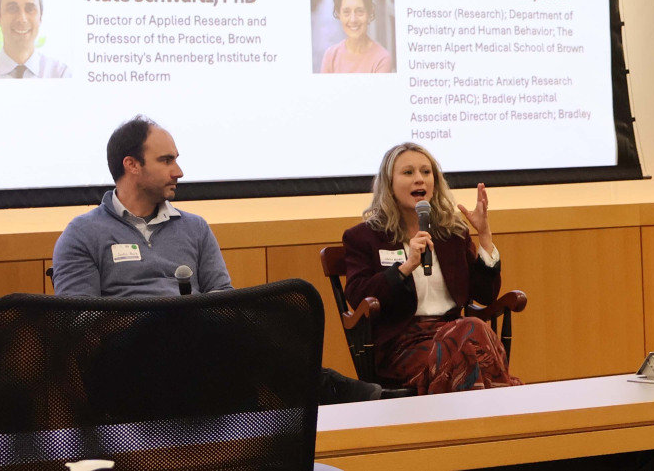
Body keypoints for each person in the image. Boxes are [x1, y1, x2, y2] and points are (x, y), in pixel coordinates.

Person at [53, 117, 402, 402]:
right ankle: (331, 388)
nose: (179, 171)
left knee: (268, 312)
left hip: (198, 347)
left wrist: (193, 316)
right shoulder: (83, 233)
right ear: (131, 165)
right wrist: (156, 315)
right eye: (166, 160)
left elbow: (223, 297)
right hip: (126, 361)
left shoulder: (194, 228)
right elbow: (77, 322)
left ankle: (325, 392)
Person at [339, 143, 519, 395]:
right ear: (389, 184)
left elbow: (485, 295)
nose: (419, 179)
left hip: (457, 333)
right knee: (473, 334)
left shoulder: (452, 234)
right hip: (402, 344)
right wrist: (405, 267)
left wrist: (485, 236)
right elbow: (358, 294)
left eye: (426, 172)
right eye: (408, 173)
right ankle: (500, 408)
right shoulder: (366, 237)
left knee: (468, 337)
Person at [319, 0, 394, 74]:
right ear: (339, 15)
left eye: (360, 11)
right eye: (346, 12)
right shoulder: (331, 56)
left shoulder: (381, 59)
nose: (353, 19)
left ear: (369, 13)